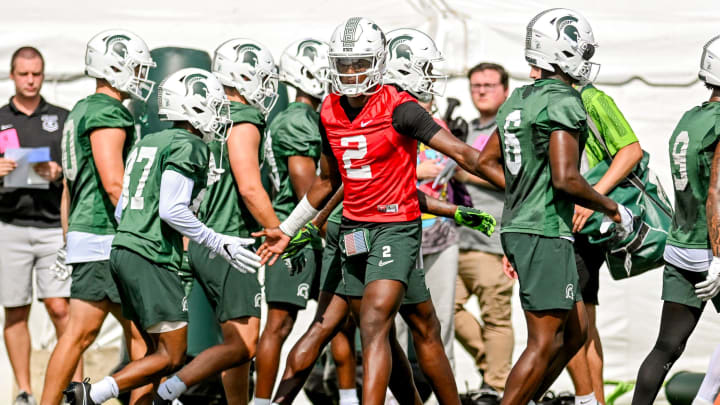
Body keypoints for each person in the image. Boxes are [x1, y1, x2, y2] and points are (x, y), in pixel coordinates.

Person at [253, 16, 510, 405]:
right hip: (361, 230)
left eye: (359, 63)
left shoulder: (400, 109)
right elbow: (328, 181)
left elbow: (462, 155)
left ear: (378, 62)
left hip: (391, 228)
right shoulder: (330, 110)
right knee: (378, 328)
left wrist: (517, 187)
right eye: (345, 63)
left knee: (411, 328)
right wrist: (290, 228)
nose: (351, 72)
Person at [62, 67, 262, 404]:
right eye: (211, 104)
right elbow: (172, 210)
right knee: (171, 356)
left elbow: (123, 208)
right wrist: (219, 241)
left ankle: (156, 399)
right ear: (192, 108)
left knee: (154, 351)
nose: (217, 113)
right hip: (149, 255)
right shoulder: (191, 146)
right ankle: (91, 394)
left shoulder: (149, 141)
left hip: (123, 248)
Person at [491, 8, 632, 404]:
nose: (585, 61)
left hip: (528, 225)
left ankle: (529, 398)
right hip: (543, 230)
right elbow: (566, 178)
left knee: (574, 334)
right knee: (542, 341)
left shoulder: (518, 98)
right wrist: (611, 207)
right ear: (562, 52)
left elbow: (486, 163)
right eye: (580, 52)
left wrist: (523, 191)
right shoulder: (564, 100)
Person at [155, 38, 279, 405]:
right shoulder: (243, 118)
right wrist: (281, 231)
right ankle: (170, 389)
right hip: (229, 241)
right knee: (244, 344)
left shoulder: (204, 116)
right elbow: (250, 187)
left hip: (196, 240)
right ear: (243, 77)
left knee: (233, 344)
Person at [39, 30, 157, 405]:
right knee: (84, 334)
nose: (140, 75)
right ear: (114, 67)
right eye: (134, 67)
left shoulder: (80, 109)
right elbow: (113, 183)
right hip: (109, 237)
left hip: (90, 234)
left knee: (142, 336)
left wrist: (67, 237)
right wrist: (146, 230)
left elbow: (69, 189)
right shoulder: (108, 111)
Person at [253, 38, 345, 405]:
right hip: (298, 232)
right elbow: (309, 186)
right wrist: (323, 230)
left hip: (305, 231)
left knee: (335, 320)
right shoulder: (298, 120)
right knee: (280, 323)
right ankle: (263, 402)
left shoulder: (304, 116)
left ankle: (349, 396)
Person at [632, 34, 720, 405]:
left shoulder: (690, 118)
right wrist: (718, 257)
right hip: (710, 245)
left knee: (666, 347)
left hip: (680, 245)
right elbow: (716, 193)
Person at [565, 63, 643, 405]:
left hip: (583, 226)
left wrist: (593, 195)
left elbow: (631, 150)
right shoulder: (550, 98)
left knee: (572, 326)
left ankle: (588, 400)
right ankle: (594, 401)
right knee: (581, 326)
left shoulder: (592, 98)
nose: (533, 72)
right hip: (564, 226)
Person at [385, 28, 459, 373]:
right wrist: (415, 169)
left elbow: (448, 164)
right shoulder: (384, 117)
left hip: (440, 233)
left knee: (441, 318)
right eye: (425, 70)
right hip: (400, 231)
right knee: (393, 323)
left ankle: (448, 391)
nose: (431, 81)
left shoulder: (434, 121)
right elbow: (374, 168)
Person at [0, 45, 71, 405]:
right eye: (24, 73)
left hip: (51, 228)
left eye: (37, 73)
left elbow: (81, 171)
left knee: (61, 307)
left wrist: (59, 173)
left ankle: (73, 387)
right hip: (9, 226)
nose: (31, 80)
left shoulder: (61, 117)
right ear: (12, 75)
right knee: (15, 309)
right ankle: (25, 391)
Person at [453, 62, 514, 402]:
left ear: (505, 89)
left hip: (493, 240)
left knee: (496, 318)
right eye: (476, 85)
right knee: (444, 309)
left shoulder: (510, 127)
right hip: (457, 239)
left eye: (489, 85)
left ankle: (498, 386)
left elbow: (514, 178)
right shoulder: (469, 128)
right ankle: (495, 372)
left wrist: (463, 173)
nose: (481, 91)